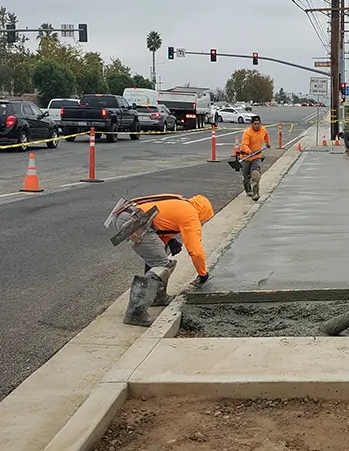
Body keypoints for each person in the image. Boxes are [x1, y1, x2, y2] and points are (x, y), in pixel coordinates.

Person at [109, 193, 214, 326]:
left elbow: (160, 223)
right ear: (203, 213)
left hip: (127, 214)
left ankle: (157, 297)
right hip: (134, 220)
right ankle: (135, 313)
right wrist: (203, 273)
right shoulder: (191, 216)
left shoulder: (181, 203)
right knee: (161, 264)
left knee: (157, 257)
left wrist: (170, 240)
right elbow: (196, 252)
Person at [240, 115, 270, 201]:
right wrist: (249, 151)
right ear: (252, 124)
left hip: (256, 156)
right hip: (246, 156)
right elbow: (244, 144)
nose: (257, 125)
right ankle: (248, 189)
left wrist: (267, 143)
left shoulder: (263, 130)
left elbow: (266, 136)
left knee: (255, 174)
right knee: (246, 176)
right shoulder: (247, 133)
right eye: (255, 124)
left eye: (258, 124)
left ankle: (256, 193)